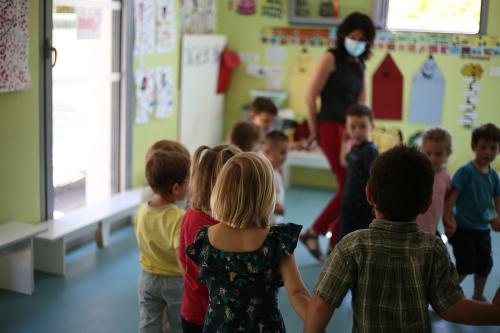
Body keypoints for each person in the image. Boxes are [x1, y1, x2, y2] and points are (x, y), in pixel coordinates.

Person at [304, 146, 500, 333]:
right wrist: (495, 312)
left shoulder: (351, 246)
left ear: (369, 194)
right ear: (426, 205)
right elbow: (452, 306)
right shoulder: (432, 248)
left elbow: (320, 306)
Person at [186, 153, 310, 332]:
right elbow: (298, 293)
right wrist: (318, 325)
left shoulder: (205, 239)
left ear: (221, 192)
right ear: (266, 195)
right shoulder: (276, 241)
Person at [300, 12, 376, 261]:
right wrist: (313, 131)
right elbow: (310, 96)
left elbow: (362, 102)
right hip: (330, 126)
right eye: (352, 36)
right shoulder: (331, 58)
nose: (356, 41)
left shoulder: (360, 65)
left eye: (361, 38)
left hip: (352, 130)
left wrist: (367, 131)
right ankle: (316, 232)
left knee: (354, 185)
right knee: (349, 186)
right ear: (343, 36)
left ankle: (333, 236)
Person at [178, 145, 241, 333]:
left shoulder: (190, 215)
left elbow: (183, 259)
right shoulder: (224, 227)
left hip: (192, 311)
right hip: (216, 317)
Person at [135, 150, 190, 333]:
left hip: (147, 277)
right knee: (177, 325)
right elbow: (180, 254)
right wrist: (191, 281)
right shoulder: (179, 217)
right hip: (174, 280)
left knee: (148, 322)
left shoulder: (142, 210)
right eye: (187, 182)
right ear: (176, 188)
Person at [444, 123, 500, 302]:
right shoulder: (465, 172)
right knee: (466, 264)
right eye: (483, 147)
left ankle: (478, 295)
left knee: (485, 265)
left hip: (482, 229)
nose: (488, 152)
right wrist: (448, 219)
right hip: (463, 228)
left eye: (493, 148)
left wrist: (498, 217)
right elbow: (451, 199)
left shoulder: (494, 176)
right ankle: (447, 292)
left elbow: (497, 199)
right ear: (474, 147)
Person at [337, 104, 378, 244]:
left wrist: (375, 203)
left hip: (364, 205)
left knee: (361, 240)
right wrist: (344, 141)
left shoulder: (370, 150)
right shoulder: (354, 147)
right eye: (352, 127)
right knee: (344, 238)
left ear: (371, 126)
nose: (357, 131)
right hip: (349, 202)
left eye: (362, 126)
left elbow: (375, 177)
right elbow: (344, 162)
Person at [416, 128, 452, 235]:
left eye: (438, 154)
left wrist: (449, 221)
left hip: (431, 229)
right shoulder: (416, 174)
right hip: (411, 229)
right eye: (428, 153)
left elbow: (448, 202)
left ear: (448, 153)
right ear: (422, 151)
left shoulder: (446, 178)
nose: (433, 159)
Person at [262, 130, 289, 225]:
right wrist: (274, 205)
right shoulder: (264, 173)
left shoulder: (275, 170)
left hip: (273, 221)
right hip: (264, 225)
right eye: (282, 153)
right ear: (268, 152)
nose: (285, 157)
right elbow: (260, 195)